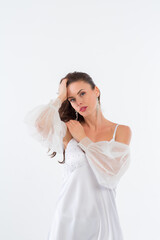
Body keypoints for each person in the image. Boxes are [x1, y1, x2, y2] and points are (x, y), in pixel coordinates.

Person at [24, 71, 132, 240]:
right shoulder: (68, 129)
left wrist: (83, 139)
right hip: (68, 219)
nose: (78, 101)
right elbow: (38, 124)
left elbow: (111, 171)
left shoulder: (121, 131)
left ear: (96, 90)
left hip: (103, 220)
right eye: (72, 99)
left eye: (82, 93)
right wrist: (61, 96)